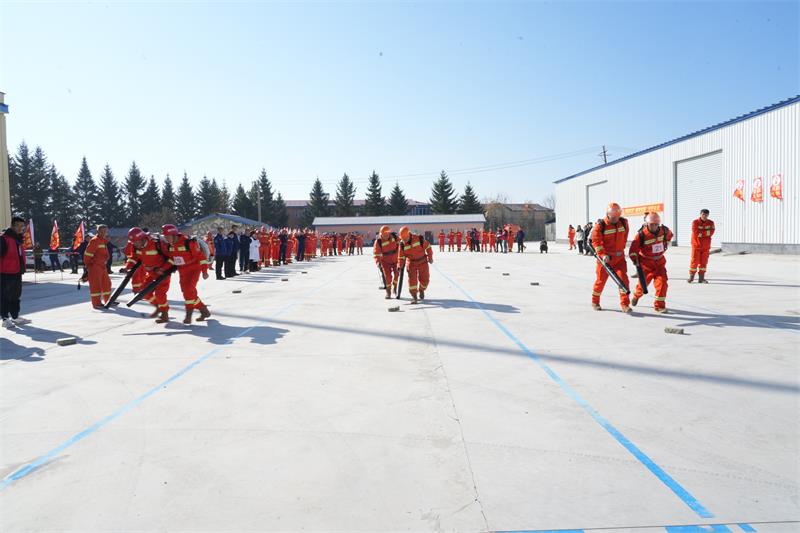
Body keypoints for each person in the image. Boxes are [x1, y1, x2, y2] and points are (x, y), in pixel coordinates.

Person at [160, 224, 210, 324]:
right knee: (188, 292)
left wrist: (204, 271)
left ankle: (188, 315)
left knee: (188, 290)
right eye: (165, 236)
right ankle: (204, 310)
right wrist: (163, 269)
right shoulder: (171, 246)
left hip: (194, 270)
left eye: (167, 236)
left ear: (174, 235)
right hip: (182, 271)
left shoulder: (188, 242)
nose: (166, 239)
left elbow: (201, 257)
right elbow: (172, 260)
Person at [590, 203, 631, 313]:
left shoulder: (624, 223)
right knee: (600, 281)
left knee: (623, 281)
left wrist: (621, 249)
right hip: (605, 260)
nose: (615, 219)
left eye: (617, 217)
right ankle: (595, 301)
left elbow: (625, 236)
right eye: (613, 217)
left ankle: (625, 304)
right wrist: (603, 255)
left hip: (619, 259)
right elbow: (596, 242)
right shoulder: (600, 226)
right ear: (607, 214)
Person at [126, 227, 172, 322]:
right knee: (144, 292)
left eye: (136, 242)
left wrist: (163, 269)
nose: (135, 244)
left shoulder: (157, 243)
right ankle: (158, 307)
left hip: (162, 274)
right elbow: (133, 258)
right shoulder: (135, 246)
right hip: (151, 274)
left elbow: (171, 257)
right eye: (133, 242)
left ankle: (165, 314)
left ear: (142, 238)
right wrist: (127, 267)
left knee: (160, 294)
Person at [630, 212, 673, 313]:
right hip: (646, 264)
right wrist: (635, 260)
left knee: (662, 283)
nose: (654, 226)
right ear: (647, 224)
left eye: (656, 224)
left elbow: (670, 235)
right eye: (651, 224)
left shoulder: (664, 230)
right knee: (642, 286)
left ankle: (659, 306)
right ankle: (636, 296)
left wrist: (666, 242)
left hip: (660, 263)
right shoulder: (641, 235)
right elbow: (633, 250)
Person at [1, 217, 31, 328]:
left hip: (17, 271)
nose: (21, 228)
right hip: (5, 272)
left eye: (22, 226)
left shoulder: (18, 239)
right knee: (5, 296)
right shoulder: (4, 239)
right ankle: (5, 318)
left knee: (16, 295)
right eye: (19, 226)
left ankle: (15, 316)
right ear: (13, 225)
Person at [397, 226, 433, 304]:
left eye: (405, 239)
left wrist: (430, 257)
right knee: (412, 281)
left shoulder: (418, 239)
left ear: (409, 235)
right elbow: (401, 257)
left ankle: (421, 290)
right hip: (411, 263)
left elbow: (428, 247)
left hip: (422, 262)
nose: (404, 240)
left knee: (425, 280)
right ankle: (414, 297)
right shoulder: (402, 244)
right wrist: (400, 266)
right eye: (403, 239)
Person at [83, 225, 113, 309]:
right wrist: (90, 266)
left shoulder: (103, 241)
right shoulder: (94, 241)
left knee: (107, 283)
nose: (104, 233)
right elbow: (87, 256)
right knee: (96, 286)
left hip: (102, 266)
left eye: (105, 231)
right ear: (97, 231)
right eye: (102, 231)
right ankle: (96, 303)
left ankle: (108, 300)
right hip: (95, 267)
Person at [374, 225, 400, 299]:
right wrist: (378, 262)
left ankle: (395, 287)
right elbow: (376, 253)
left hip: (395, 260)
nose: (386, 236)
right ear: (381, 234)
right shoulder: (378, 241)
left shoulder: (395, 237)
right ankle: (388, 292)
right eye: (384, 235)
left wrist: (402, 257)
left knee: (397, 274)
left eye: (387, 234)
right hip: (385, 262)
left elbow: (401, 246)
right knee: (388, 277)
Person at [689, 208, 715, 283]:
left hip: (706, 246)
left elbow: (711, 232)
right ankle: (691, 277)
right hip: (696, 245)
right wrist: (706, 233)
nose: (704, 216)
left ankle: (701, 278)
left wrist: (701, 233)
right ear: (700, 214)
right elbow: (696, 232)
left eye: (706, 215)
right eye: (703, 214)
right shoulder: (695, 222)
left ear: (708, 215)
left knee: (704, 262)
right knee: (694, 261)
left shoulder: (711, 223)